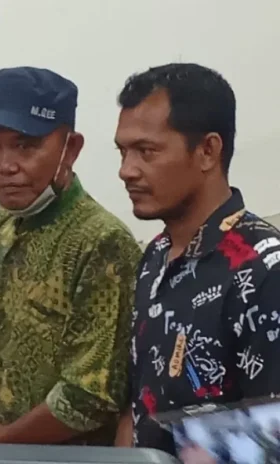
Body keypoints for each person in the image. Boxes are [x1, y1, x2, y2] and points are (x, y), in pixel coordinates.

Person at [0, 67, 141, 445]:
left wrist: (6, 439)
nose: (5, 165)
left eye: (25, 146)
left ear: (71, 148)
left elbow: (91, 395)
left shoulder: (102, 242)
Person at [114, 63, 280, 455]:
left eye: (146, 151)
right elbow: (137, 406)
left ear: (208, 151)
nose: (126, 171)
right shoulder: (154, 256)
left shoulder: (264, 271)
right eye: (122, 151)